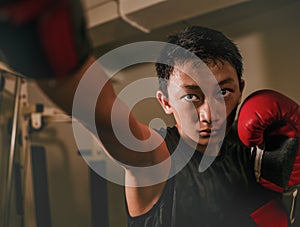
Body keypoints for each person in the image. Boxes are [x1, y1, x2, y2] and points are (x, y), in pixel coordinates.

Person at [0, 1, 299, 226]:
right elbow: (104, 117)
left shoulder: (256, 148)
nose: (211, 113)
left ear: (241, 88)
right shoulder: (156, 157)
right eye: (191, 96)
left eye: (223, 92)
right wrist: (56, 54)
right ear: (165, 102)